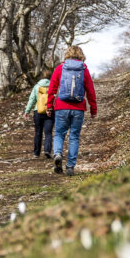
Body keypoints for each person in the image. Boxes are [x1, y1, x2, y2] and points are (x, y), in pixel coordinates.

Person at [47, 45, 97, 176]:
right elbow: (90, 90)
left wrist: (49, 106)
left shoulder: (60, 68)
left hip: (61, 107)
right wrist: (93, 108)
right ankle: (70, 166)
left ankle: (58, 154)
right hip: (78, 108)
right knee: (74, 136)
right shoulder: (84, 69)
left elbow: (52, 88)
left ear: (67, 54)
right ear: (81, 55)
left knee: (59, 134)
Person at [23, 71, 54, 158]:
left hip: (38, 111)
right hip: (50, 111)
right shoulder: (53, 86)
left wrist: (27, 111)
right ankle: (47, 150)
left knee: (38, 132)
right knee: (48, 133)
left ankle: (36, 153)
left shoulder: (36, 86)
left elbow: (32, 99)